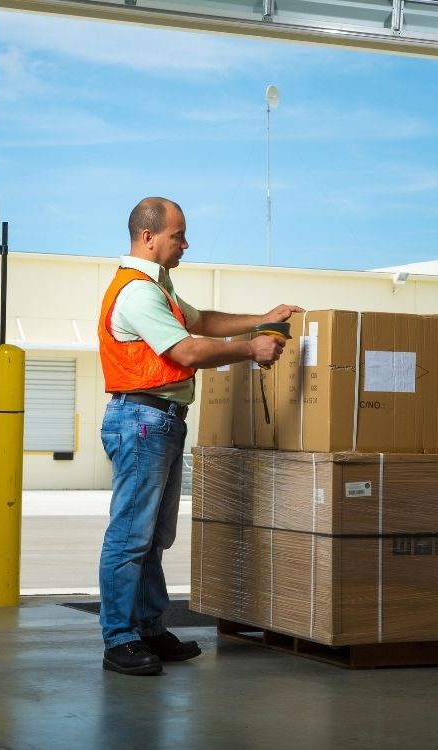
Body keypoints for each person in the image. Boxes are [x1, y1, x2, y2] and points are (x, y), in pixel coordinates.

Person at [97, 197, 302, 676]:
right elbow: (187, 351)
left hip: (159, 421)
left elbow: (202, 322)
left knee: (151, 538)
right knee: (130, 537)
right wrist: (251, 348)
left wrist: (261, 319)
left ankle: (148, 627)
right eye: (178, 235)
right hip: (142, 420)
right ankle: (119, 639)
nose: (185, 244)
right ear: (149, 237)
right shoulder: (136, 293)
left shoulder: (158, 287)